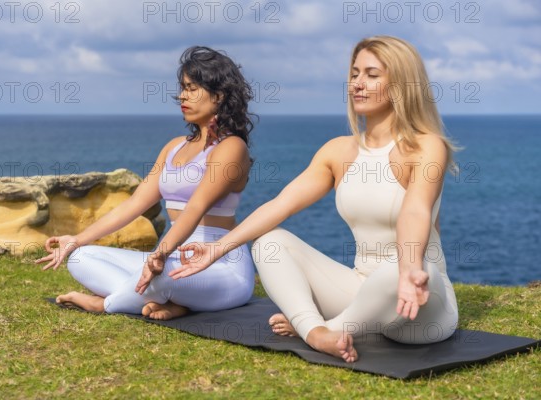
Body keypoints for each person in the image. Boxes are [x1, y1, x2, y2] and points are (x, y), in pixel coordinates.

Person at [170, 36, 459, 362]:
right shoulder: (338, 151)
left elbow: (415, 212)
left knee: (402, 265)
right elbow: (282, 204)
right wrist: (217, 248)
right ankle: (316, 332)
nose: (357, 84)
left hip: (420, 300)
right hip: (362, 293)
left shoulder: (427, 146)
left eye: (372, 75)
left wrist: (408, 270)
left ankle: (329, 327)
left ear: (400, 85)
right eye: (354, 74)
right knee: (270, 243)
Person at [35, 46, 256, 320]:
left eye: (192, 88)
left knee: (162, 279)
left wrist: (161, 254)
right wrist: (76, 240)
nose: (182, 96)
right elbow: (135, 204)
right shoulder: (174, 147)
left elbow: (196, 207)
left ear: (219, 95)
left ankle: (106, 304)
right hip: (172, 257)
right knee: (82, 258)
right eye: (182, 87)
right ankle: (173, 303)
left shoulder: (231, 148)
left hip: (221, 267)